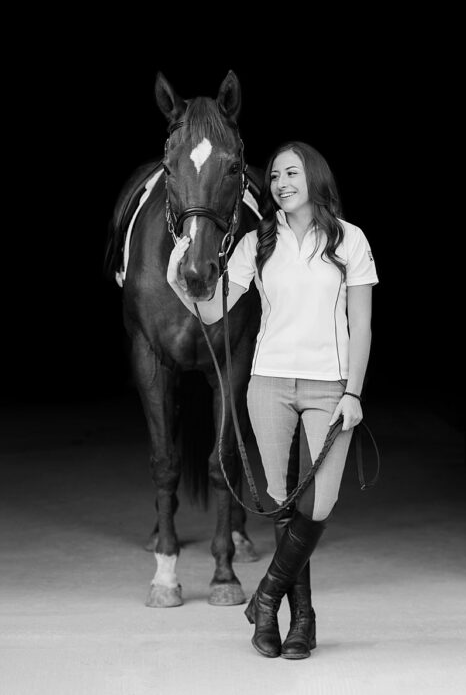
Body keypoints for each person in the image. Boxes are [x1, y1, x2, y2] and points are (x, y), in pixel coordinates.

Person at [166, 141, 378, 659]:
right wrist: (178, 281)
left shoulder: (349, 239)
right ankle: (300, 620)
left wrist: (353, 392)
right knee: (282, 505)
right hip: (269, 384)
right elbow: (213, 312)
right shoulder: (255, 243)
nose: (281, 183)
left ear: (315, 177)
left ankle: (265, 597)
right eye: (276, 176)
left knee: (319, 504)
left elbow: (362, 324)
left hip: (330, 386)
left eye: (291, 173)